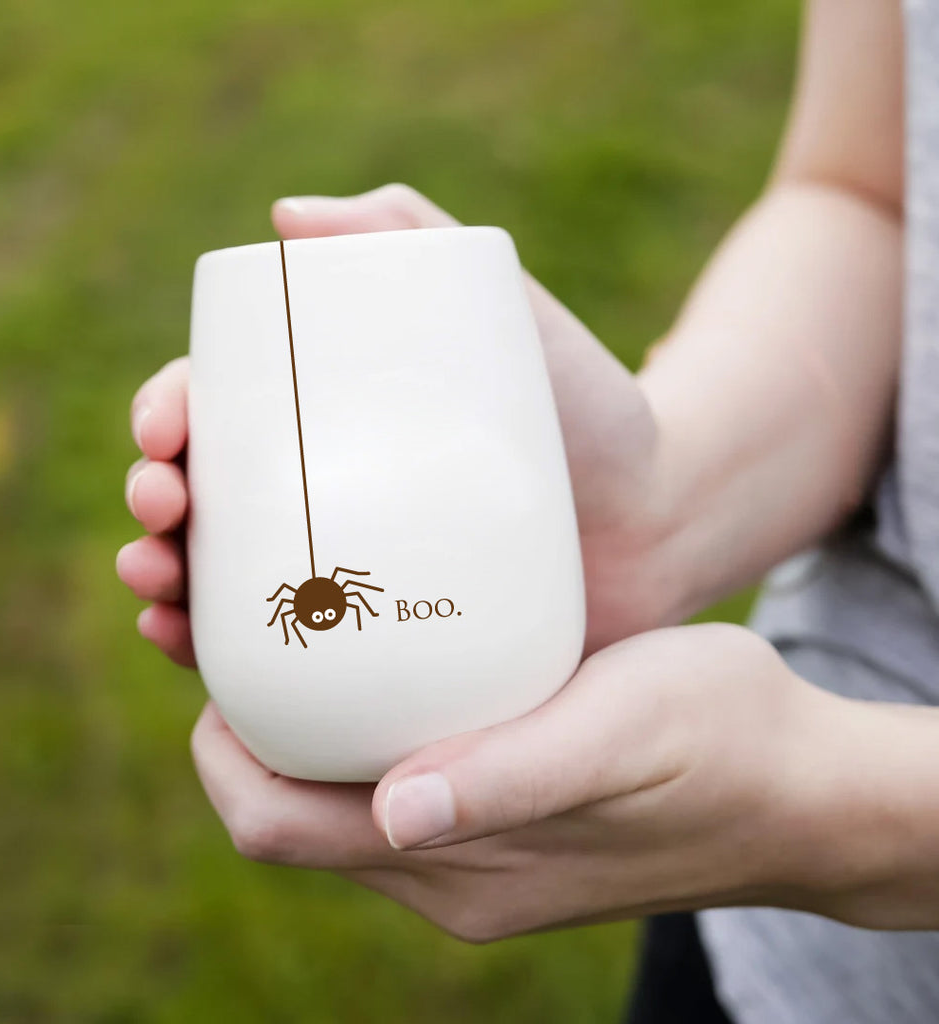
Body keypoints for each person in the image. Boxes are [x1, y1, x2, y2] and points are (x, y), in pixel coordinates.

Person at [115, 1, 939, 1021]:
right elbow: (871, 189)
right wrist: (663, 501)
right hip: (786, 963)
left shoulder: (800, 805)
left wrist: (845, 814)